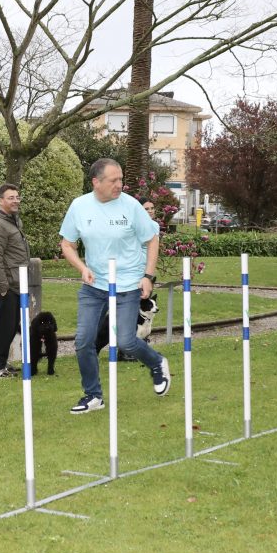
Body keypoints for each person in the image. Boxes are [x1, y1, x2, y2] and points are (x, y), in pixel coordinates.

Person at [59, 158, 170, 414]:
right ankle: (93, 396)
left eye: (121, 179)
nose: (120, 184)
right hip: (94, 284)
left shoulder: (131, 206)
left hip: (128, 284)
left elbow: (152, 241)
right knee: (84, 341)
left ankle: (156, 363)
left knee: (126, 342)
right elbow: (67, 244)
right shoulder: (79, 206)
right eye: (113, 180)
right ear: (96, 182)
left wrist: (148, 276)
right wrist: (82, 267)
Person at [0, 183, 30, 379]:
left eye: (17, 197)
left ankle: (1, 363)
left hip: (18, 283)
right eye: (11, 198)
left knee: (11, 326)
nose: (15, 201)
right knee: (3, 325)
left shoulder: (11, 220)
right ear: (0, 200)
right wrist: (2, 287)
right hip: (7, 284)